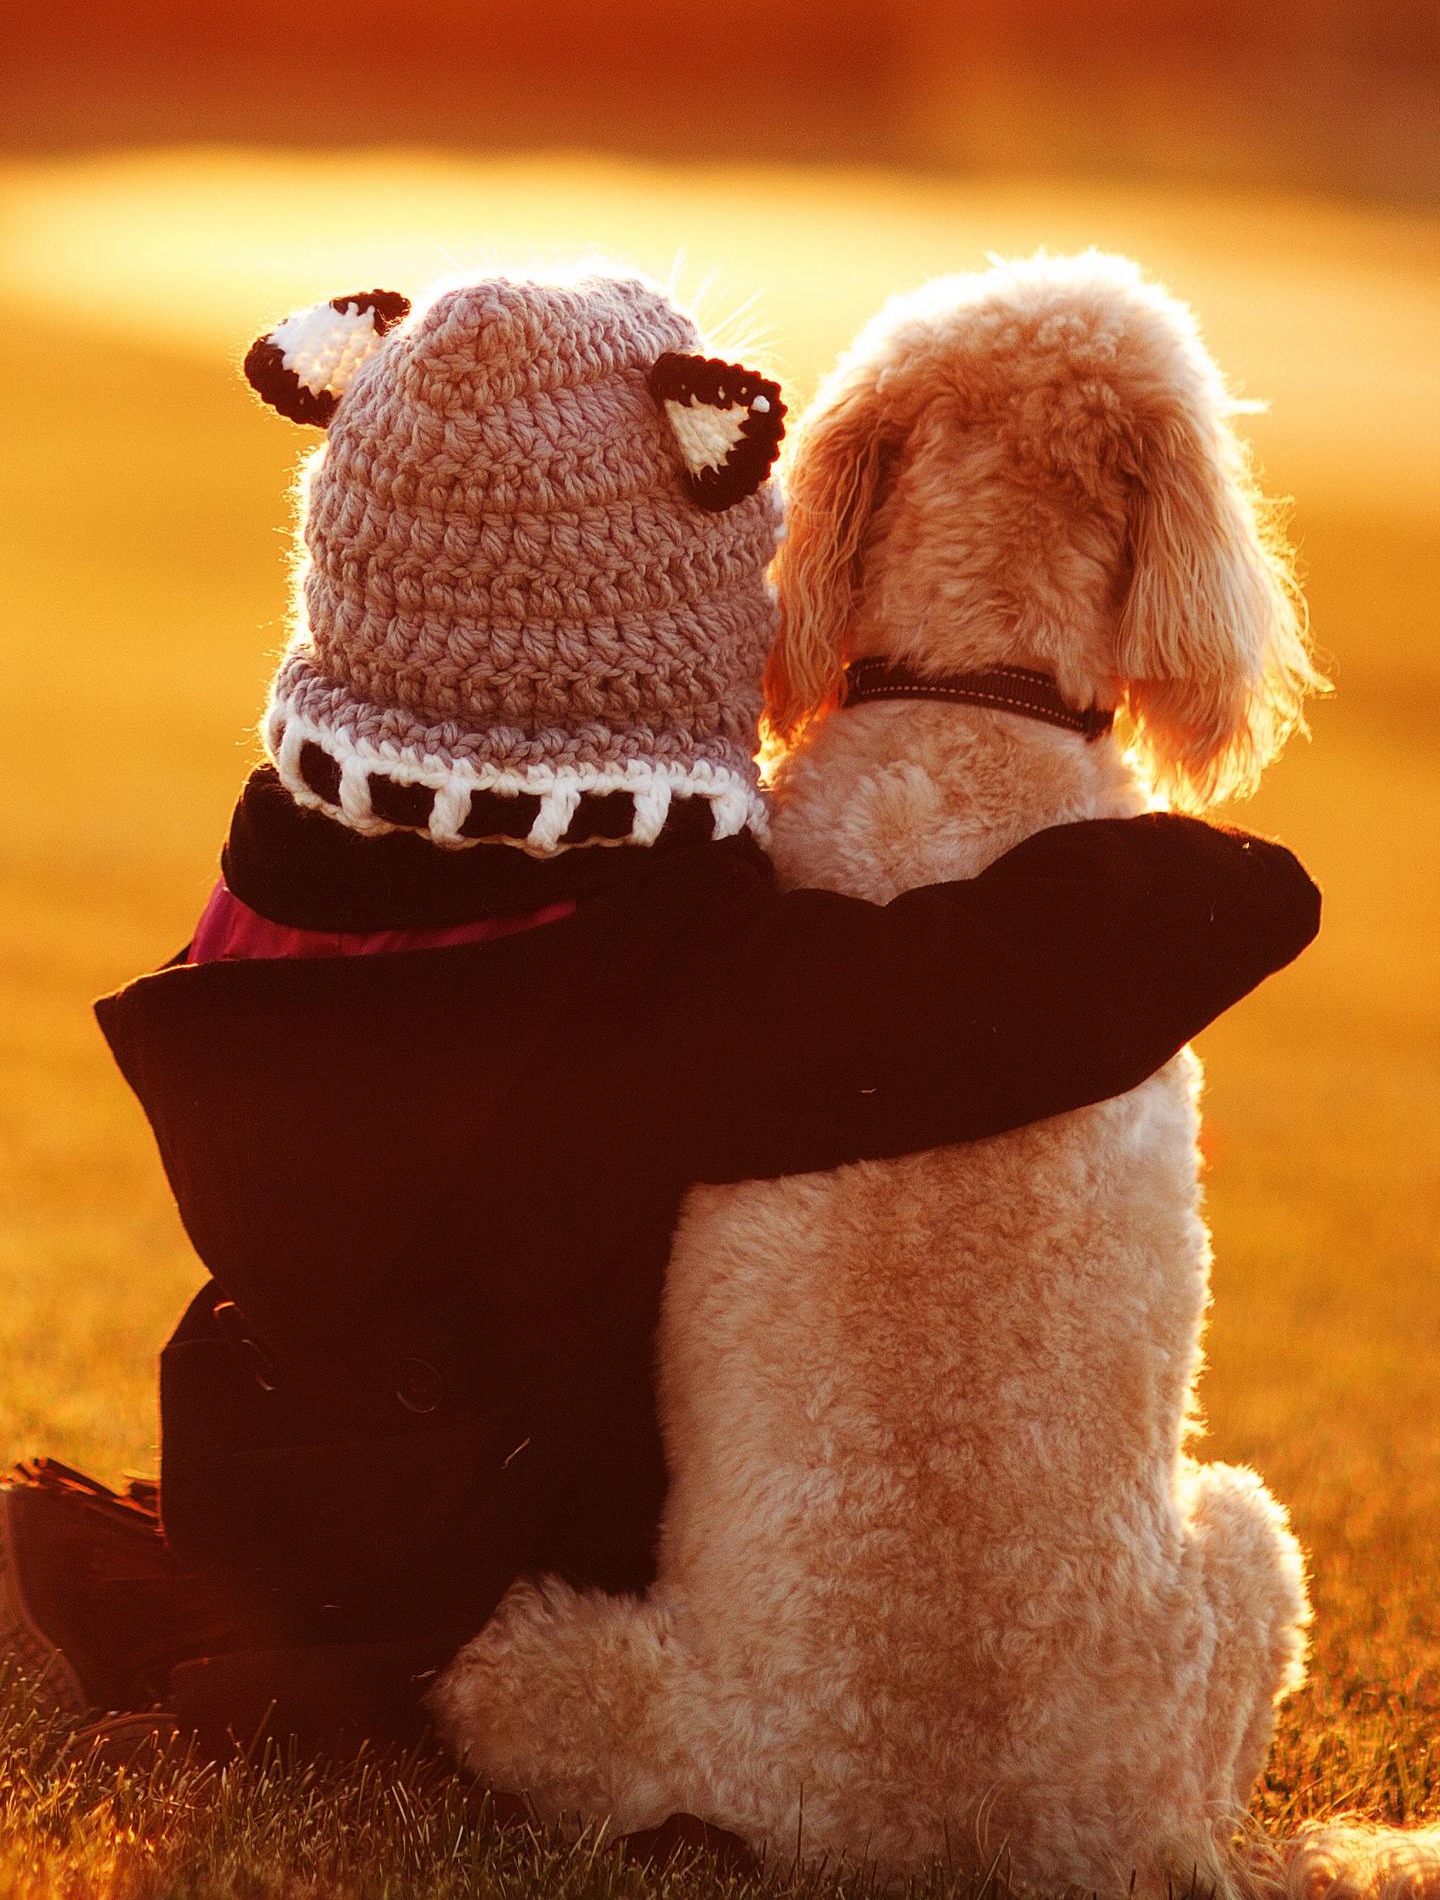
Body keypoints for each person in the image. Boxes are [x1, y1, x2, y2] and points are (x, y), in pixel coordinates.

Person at [0, 271, 1319, 1760]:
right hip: (491, 1540)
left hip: (272, 1462)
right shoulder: (649, 980)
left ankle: (166, 1592)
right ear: (654, 621)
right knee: (526, 1687)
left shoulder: (271, 879)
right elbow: (952, 1001)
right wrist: (1222, 884)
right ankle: (261, 1689)